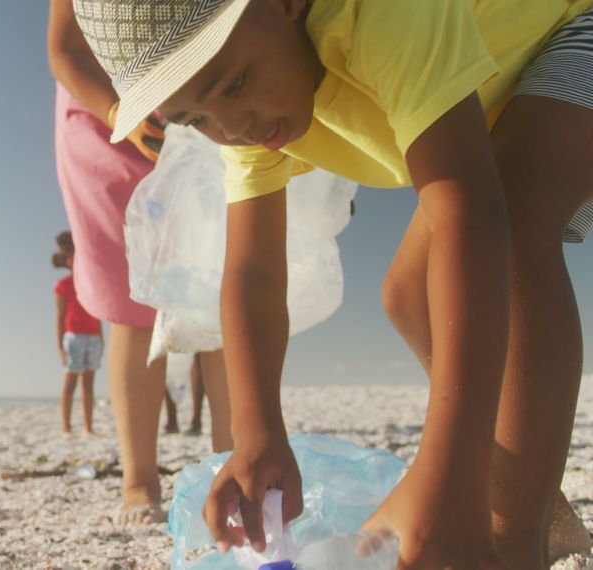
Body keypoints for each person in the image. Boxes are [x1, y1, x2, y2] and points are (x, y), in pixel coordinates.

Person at [70, 0, 593, 566]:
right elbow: (253, 272)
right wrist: (257, 432)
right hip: (500, 89)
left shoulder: (385, 18)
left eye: (237, 82)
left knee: (513, 222)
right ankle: (541, 507)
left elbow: (471, 214)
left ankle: (512, 540)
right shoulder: (243, 122)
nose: (231, 127)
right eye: (195, 120)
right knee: (409, 295)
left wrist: (451, 479)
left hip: (573, 31)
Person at [48, 0, 234, 525]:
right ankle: (139, 479)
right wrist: (119, 115)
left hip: (202, 103)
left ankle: (234, 463)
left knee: (222, 291)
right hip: (104, 118)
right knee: (129, 299)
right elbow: (64, 49)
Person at [53, 231, 103, 437]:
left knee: (89, 382)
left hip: (92, 335)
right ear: (67, 260)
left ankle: (88, 427)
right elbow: (59, 316)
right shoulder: (62, 285)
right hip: (73, 336)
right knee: (71, 381)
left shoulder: (91, 282)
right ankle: (66, 427)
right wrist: (60, 346)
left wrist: (101, 337)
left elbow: (97, 311)